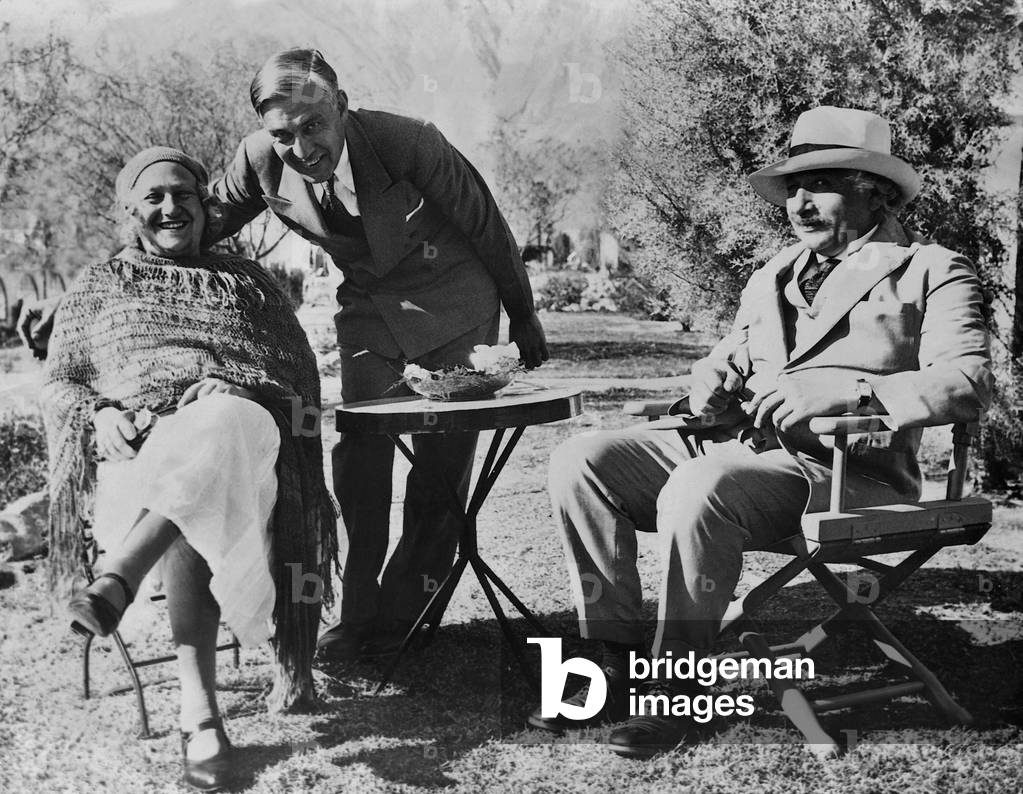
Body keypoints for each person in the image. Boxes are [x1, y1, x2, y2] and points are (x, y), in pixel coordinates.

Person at [528, 106, 993, 758]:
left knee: (702, 483)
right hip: (740, 449)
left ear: (875, 191)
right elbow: (732, 362)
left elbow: (968, 382)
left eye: (820, 184)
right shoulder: (773, 274)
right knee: (583, 458)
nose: (798, 202)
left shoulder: (929, 271)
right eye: (790, 187)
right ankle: (607, 659)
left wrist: (847, 393)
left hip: (847, 476)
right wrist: (711, 383)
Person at [212, 48, 548, 661]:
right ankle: (354, 614)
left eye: (313, 126)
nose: (302, 146)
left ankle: (404, 614)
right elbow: (195, 217)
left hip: (456, 303)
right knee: (360, 458)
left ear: (340, 107)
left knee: (440, 467)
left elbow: (484, 223)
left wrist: (522, 314)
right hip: (370, 310)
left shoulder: (408, 141)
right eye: (283, 133)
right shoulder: (259, 160)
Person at [41, 147, 337, 791]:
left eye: (185, 194)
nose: (172, 207)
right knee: (197, 481)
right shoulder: (98, 287)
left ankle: (119, 581)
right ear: (130, 213)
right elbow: (60, 385)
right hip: (142, 464)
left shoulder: (248, 283)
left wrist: (237, 386)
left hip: (249, 454)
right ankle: (200, 716)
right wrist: (97, 416)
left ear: (207, 205)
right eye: (154, 198)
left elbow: (298, 382)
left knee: (219, 430)